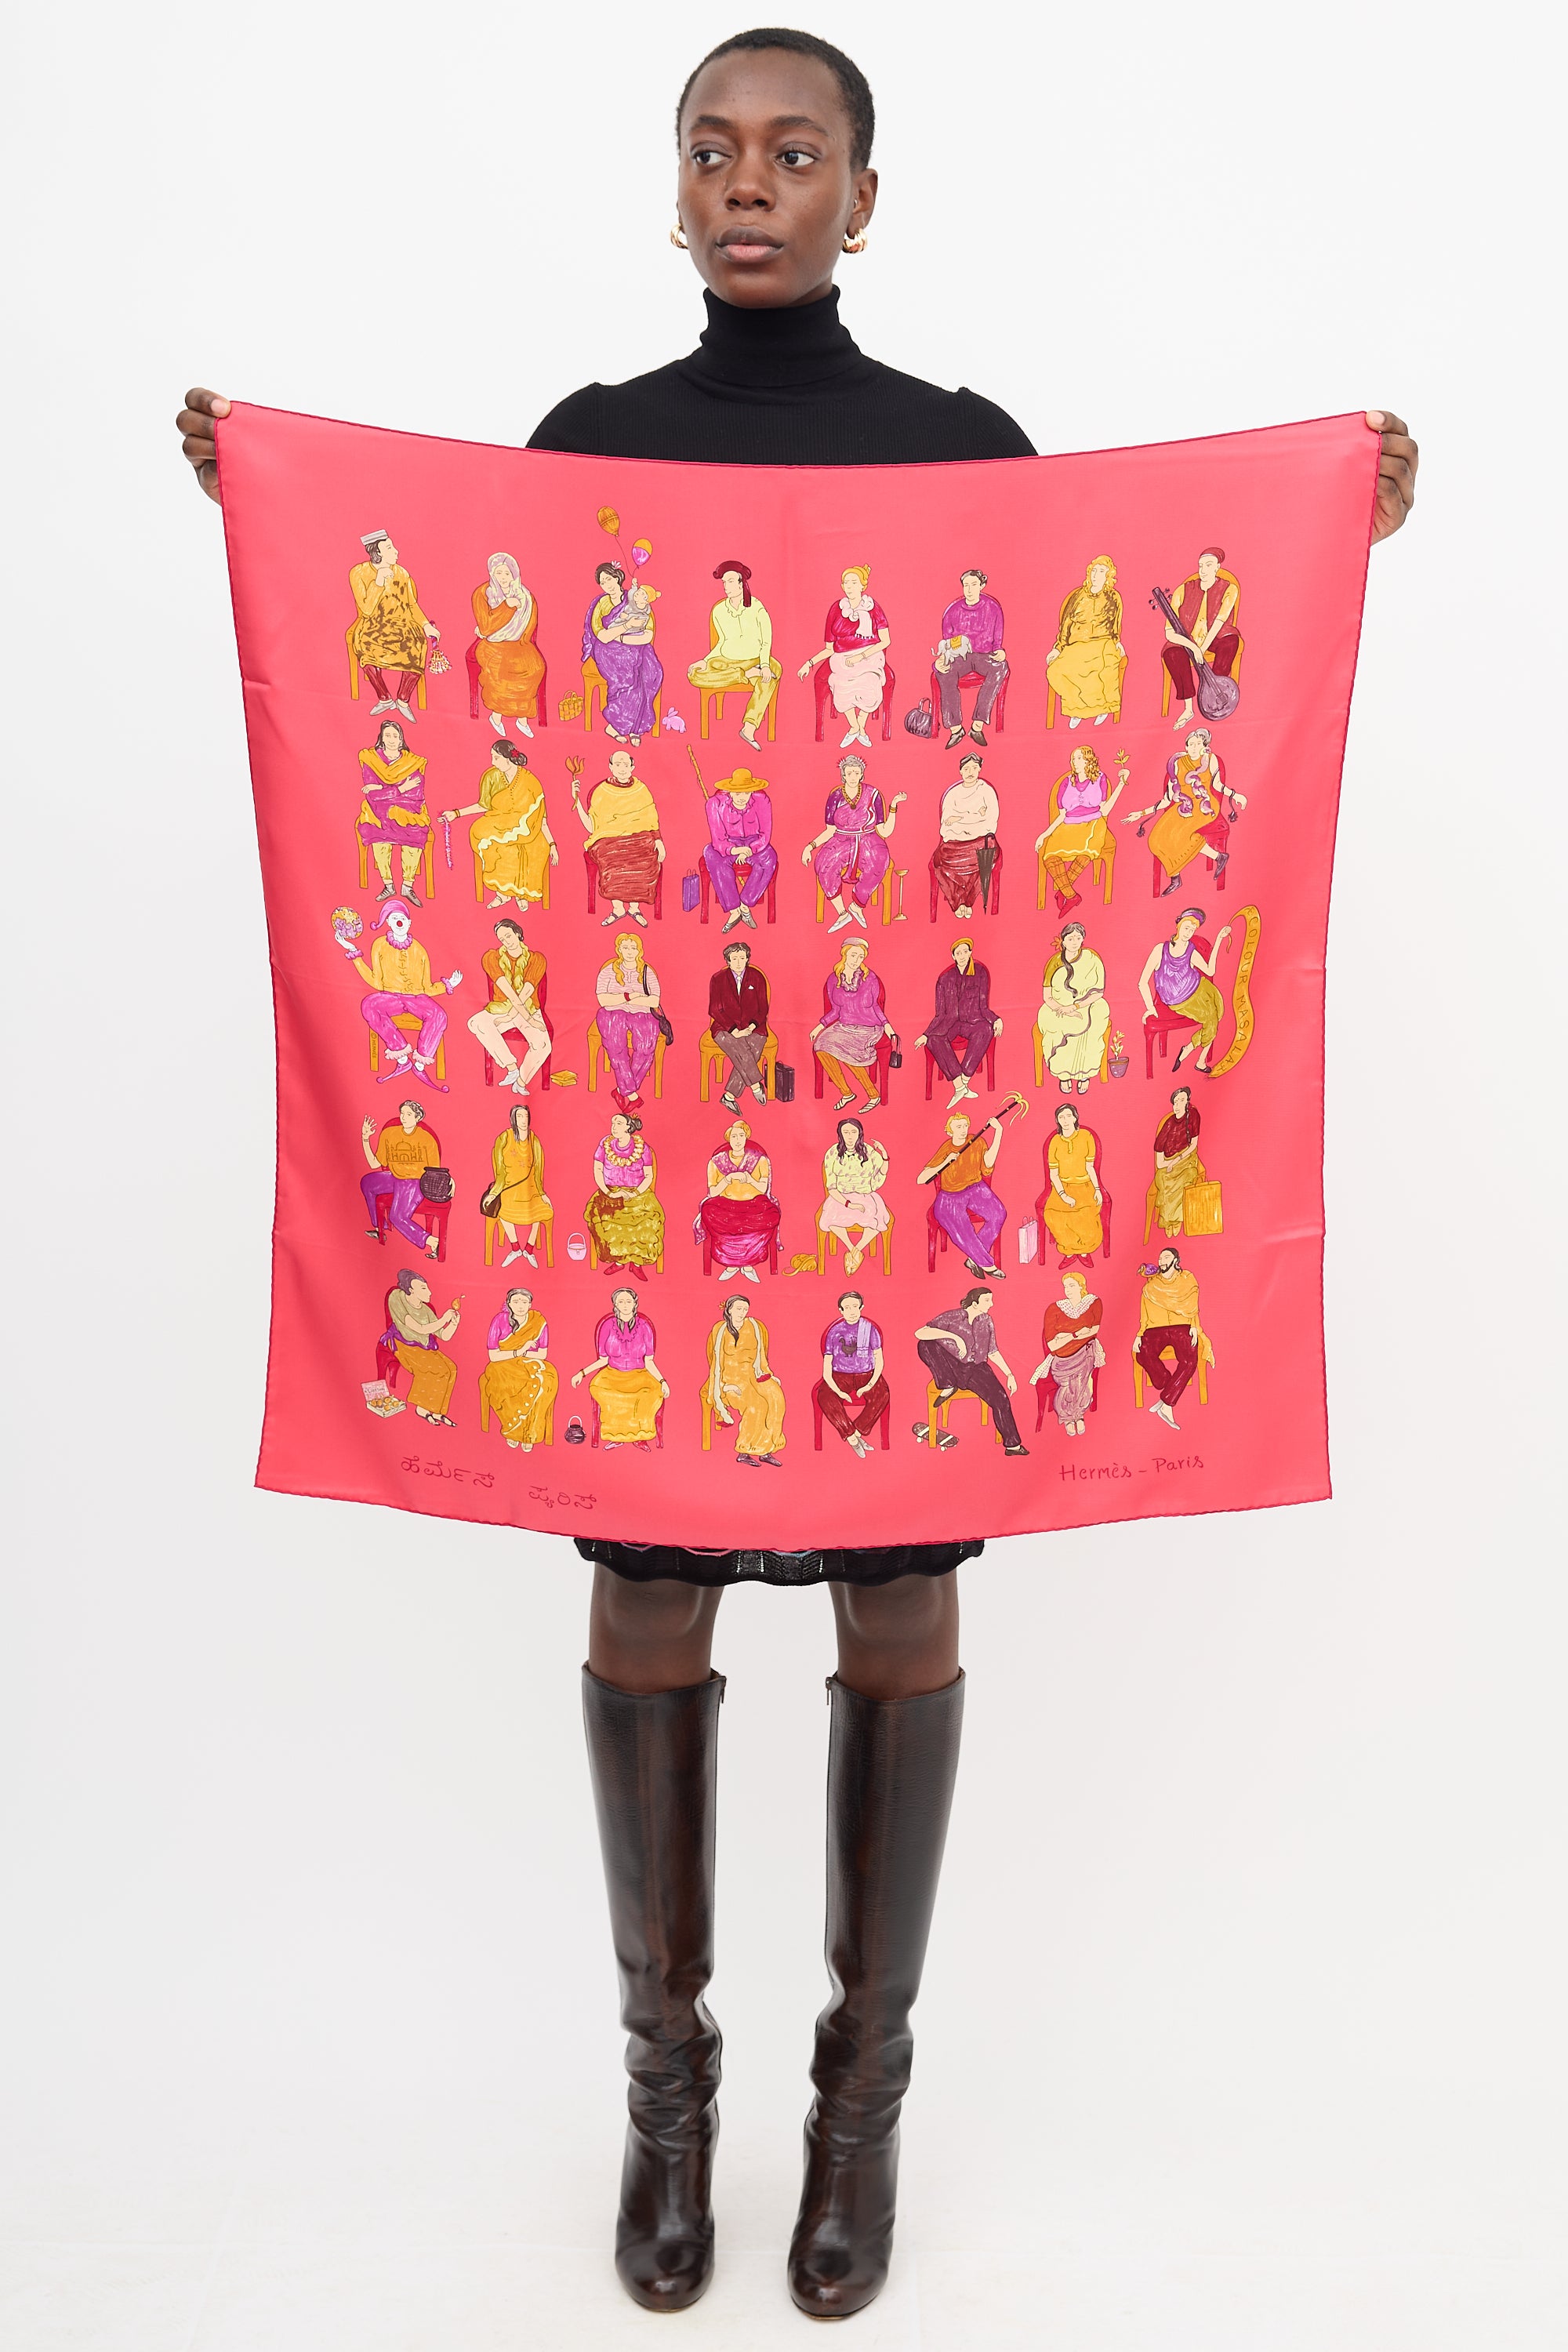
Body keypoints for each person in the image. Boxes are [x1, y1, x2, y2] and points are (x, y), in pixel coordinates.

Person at [177, 24, 1417, 2328]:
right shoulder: (588, 447)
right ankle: (667, 2084)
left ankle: (863, 2093)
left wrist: (1330, 515)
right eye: (711, 149)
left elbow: (1082, 726)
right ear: (673, 191)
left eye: (793, 150)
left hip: (913, 1111)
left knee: (899, 1598)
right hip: (646, 1116)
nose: (748, 182)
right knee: (643, 1599)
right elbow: (480, 704)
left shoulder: (962, 453)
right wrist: (267, 493)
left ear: (862, 194)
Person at [339, 898, 460, 1091]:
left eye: (402, 918)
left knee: (439, 1015)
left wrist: (447, 985)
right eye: (394, 918)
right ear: (388, 921)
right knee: (369, 1004)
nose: (399, 921)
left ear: (409, 923)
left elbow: (426, 987)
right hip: (390, 997)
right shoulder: (379, 945)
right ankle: (402, 1057)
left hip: (417, 998)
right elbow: (376, 981)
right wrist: (354, 953)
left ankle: (420, 1065)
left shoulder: (419, 950)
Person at [1123, 728, 1244, 892]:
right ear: (1186, 747)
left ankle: (1175, 878)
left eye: (1198, 744)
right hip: (1184, 807)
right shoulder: (1177, 764)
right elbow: (1167, 799)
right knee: (1155, 839)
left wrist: (1235, 795)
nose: (1194, 748)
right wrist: (1141, 813)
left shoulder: (1211, 759)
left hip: (1205, 806)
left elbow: (1217, 785)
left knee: (1180, 835)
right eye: (1190, 744)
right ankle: (1214, 859)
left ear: (1204, 746)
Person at [441, 741, 557, 911]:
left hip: (528, 829)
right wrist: (457, 813)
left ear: (508, 758)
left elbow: (541, 818)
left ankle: (521, 893)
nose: (492, 762)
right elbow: (483, 805)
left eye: (496, 758)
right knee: (493, 842)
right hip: (497, 825)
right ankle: (502, 894)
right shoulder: (491, 776)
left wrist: (552, 844)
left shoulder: (531, 781)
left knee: (534, 848)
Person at [913, 1285, 1028, 1454]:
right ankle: (947, 1385)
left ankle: (1013, 1446)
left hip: (977, 1369)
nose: (992, 1304)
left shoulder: (987, 1321)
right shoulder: (952, 1317)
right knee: (925, 1344)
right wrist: (955, 1338)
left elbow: (993, 1351)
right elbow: (920, 1333)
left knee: (1001, 1399)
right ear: (974, 1303)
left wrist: (1009, 1374)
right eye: (987, 1300)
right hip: (952, 1367)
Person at [802, 752, 904, 929]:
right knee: (824, 863)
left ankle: (857, 906)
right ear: (843, 775)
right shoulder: (835, 796)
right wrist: (810, 847)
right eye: (849, 773)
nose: (853, 777)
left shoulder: (873, 794)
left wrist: (893, 806)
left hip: (869, 840)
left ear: (862, 774)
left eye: (856, 773)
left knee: (879, 861)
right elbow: (830, 830)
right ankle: (842, 913)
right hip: (841, 840)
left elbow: (884, 831)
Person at [346, 529, 439, 720]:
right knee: (363, 645)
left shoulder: (402, 573)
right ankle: (384, 698)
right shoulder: (358, 573)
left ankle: (403, 700)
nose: (396, 551)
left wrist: (425, 625)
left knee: (418, 645)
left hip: (402, 624)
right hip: (372, 625)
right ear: (378, 553)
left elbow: (412, 605)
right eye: (389, 548)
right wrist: (378, 582)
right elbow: (366, 610)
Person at [797, 562, 891, 746]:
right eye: (846, 583)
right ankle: (856, 728)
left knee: (870, 682)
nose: (849, 586)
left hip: (869, 655)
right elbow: (829, 648)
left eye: (854, 582)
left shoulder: (873, 607)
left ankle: (860, 725)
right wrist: (809, 663)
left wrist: (860, 656)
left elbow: (885, 641)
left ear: (863, 586)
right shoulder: (837, 609)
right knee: (839, 683)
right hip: (842, 658)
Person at [687, 561, 777, 742]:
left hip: (755, 660)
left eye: (730, 581)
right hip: (726, 661)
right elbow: (722, 642)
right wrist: (705, 660)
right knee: (694, 674)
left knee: (773, 673)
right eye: (724, 582)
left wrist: (765, 665)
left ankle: (749, 728)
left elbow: (766, 641)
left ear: (741, 582)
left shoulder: (757, 608)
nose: (726, 587)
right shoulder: (719, 610)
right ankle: (743, 675)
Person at [575, 745, 663, 924]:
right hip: (609, 840)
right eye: (617, 764)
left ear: (632, 767)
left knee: (646, 858)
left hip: (639, 838)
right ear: (611, 767)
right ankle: (618, 909)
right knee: (613, 859)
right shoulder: (602, 791)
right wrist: (576, 800)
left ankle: (634, 909)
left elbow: (651, 818)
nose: (622, 769)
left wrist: (659, 841)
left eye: (626, 765)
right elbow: (592, 827)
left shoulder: (641, 789)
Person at [1138, 906, 1233, 1074]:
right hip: (1179, 1001)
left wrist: (1219, 939)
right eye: (1186, 927)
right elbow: (1142, 983)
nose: (1188, 933)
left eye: (1192, 930)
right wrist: (1150, 1008)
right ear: (1178, 925)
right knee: (1212, 1018)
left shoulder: (1191, 950)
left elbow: (1210, 971)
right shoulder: (1160, 950)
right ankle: (1197, 1058)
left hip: (1200, 988)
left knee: (1217, 1012)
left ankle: (1190, 1051)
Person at [1036, 746, 1127, 915]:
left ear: (1088, 760)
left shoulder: (1100, 779)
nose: (1074, 762)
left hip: (1093, 824)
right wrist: (1044, 834)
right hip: (1068, 825)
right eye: (1073, 759)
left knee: (1086, 853)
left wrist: (1121, 784)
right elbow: (1061, 815)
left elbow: (1105, 810)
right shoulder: (1066, 782)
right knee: (1050, 857)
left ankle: (1063, 892)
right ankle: (1070, 895)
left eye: (1079, 758)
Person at [920, 1107, 1010, 1278]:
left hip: (976, 1188)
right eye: (958, 1127)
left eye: (965, 1126)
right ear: (950, 1131)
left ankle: (973, 1259)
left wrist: (999, 1132)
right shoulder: (946, 1148)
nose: (963, 1130)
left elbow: (988, 1164)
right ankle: (987, 1264)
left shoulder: (977, 1141)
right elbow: (922, 1178)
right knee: (963, 1229)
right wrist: (946, 1161)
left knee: (999, 1213)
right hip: (950, 1196)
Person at [572, 1287, 669, 1447]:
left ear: (635, 1304)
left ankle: (639, 1438)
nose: (625, 1305)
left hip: (640, 1374)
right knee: (600, 1388)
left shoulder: (644, 1326)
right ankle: (616, 1437)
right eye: (621, 1301)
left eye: (628, 1301)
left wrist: (662, 1381)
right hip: (612, 1374)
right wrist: (582, 1373)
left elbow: (649, 1361)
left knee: (652, 1392)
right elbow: (603, 1360)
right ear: (615, 1304)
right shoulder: (607, 1326)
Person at [810, 935, 894, 1111]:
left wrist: (887, 1026)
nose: (857, 960)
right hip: (844, 1026)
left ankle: (873, 1095)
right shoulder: (833, 979)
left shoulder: (870, 978)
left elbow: (876, 1006)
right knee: (820, 1045)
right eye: (854, 955)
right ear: (845, 954)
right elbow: (835, 1010)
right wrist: (820, 1026)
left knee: (849, 1051)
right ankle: (846, 1093)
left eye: (861, 956)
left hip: (869, 1028)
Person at [1160, 546, 1240, 731]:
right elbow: (1169, 632)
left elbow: (1220, 621)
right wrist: (1194, 647)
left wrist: (1202, 649)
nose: (1203, 570)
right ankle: (1188, 708)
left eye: (1208, 565)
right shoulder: (1183, 590)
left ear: (1218, 567)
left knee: (1231, 642)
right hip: (1189, 640)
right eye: (1201, 565)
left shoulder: (1230, 589)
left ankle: (1216, 694)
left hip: (1215, 637)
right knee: (1172, 654)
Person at [467, 917, 550, 1096]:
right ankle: (511, 1068)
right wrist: (510, 1016)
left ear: (517, 933)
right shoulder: (492, 958)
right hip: (501, 1008)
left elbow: (526, 993)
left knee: (543, 1045)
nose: (506, 941)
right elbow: (509, 993)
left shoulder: (537, 959)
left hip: (529, 1009)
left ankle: (520, 1082)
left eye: (508, 936)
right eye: (502, 939)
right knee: (476, 1022)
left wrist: (522, 1018)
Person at [1134, 1245, 1214, 1428]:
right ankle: (1165, 1382)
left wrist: (1194, 1326)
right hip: (1156, 1327)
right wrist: (1139, 1334)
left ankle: (1167, 1405)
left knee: (1190, 1360)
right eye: (1160, 1258)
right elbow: (1144, 1311)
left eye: (1166, 1257)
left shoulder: (1187, 1279)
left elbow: (1192, 1305)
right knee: (1142, 1353)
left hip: (1181, 1326)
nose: (1162, 1261)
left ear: (1176, 1261)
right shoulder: (1151, 1284)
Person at [916, 937, 1000, 1108]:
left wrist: (996, 1019)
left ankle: (964, 1080)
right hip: (950, 1023)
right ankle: (960, 1086)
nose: (962, 956)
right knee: (933, 1040)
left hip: (973, 1021)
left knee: (986, 1030)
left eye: (965, 952)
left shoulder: (980, 972)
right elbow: (940, 1013)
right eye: (958, 953)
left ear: (970, 953)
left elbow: (984, 1006)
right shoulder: (945, 978)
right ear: (953, 956)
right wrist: (926, 1034)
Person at [469, 553, 544, 738]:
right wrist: (507, 606)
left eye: (507, 573)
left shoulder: (526, 596)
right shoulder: (483, 594)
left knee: (535, 667)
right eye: (499, 573)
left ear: (514, 575)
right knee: (502, 671)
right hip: (492, 645)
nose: (503, 578)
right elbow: (486, 628)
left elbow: (529, 626)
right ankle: (496, 717)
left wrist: (520, 639)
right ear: (492, 574)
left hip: (520, 643)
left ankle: (522, 720)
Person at [586, 566, 664, 743]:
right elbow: (603, 636)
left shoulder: (636, 598)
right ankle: (615, 726)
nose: (607, 584)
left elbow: (648, 635)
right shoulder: (601, 604)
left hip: (637, 646)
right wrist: (626, 627)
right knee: (628, 676)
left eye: (609, 579)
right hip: (608, 651)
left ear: (618, 578)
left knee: (651, 673)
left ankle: (636, 729)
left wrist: (624, 637)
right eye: (603, 582)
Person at [356, 720, 431, 904]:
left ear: (401, 740)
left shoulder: (412, 762)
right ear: (381, 738)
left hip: (408, 807)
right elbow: (372, 796)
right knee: (378, 834)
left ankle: (408, 886)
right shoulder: (371, 759)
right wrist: (400, 788)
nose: (391, 740)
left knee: (415, 831)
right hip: (377, 809)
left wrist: (382, 787)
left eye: (395, 736)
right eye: (387, 735)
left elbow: (416, 792)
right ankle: (388, 885)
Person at [1046, 554, 1125, 727]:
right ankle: (1076, 707)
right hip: (1076, 645)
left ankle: (1102, 708)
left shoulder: (1114, 597)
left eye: (1101, 571)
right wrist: (1058, 648)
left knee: (1102, 667)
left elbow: (1116, 626)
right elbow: (1066, 625)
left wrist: (1117, 642)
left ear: (1108, 575)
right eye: (1094, 571)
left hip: (1103, 643)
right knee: (1055, 671)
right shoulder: (1077, 597)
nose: (1096, 575)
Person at [706, 1294, 786, 1466]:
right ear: (729, 1310)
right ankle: (744, 1451)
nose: (742, 1312)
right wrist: (724, 1387)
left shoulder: (754, 1326)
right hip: (731, 1380)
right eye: (738, 1309)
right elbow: (716, 1365)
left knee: (776, 1399)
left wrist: (768, 1374)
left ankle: (766, 1449)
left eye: (745, 1309)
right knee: (757, 1406)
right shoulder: (721, 1330)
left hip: (754, 1374)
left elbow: (761, 1356)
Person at [699, 1114, 779, 1283]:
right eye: (734, 1136)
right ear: (728, 1138)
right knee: (707, 1210)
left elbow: (763, 1189)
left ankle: (748, 1264)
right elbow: (713, 1192)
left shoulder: (759, 1160)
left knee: (773, 1214)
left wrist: (750, 1179)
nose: (737, 1140)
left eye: (741, 1135)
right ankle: (732, 1264)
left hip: (754, 1206)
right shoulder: (716, 1162)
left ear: (746, 1137)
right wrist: (727, 1180)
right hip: (725, 1207)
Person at [934, 567, 1007, 748]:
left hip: (985, 656)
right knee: (943, 671)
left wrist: (1000, 651)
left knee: (1001, 666)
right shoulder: (953, 611)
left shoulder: (993, 608)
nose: (969, 589)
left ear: (982, 585)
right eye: (966, 585)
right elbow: (947, 645)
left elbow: (997, 640)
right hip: (961, 657)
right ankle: (955, 729)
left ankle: (978, 725)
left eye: (973, 585)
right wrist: (940, 662)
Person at [585, 1112, 664, 1279]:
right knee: (607, 1222)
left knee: (646, 1223)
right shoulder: (605, 1144)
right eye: (613, 1123)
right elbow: (597, 1170)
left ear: (629, 1127)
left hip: (639, 1195)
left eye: (619, 1123)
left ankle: (636, 1264)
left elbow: (648, 1176)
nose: (614, 1127)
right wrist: (609, 1192)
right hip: (609, 1194)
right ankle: (619, 1261)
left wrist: (634, 1193)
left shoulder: (642, 1148)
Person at [359, 1099, 441, 1256]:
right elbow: (374, 1163)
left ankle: (433, 1242)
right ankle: (379, 1227)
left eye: (408, 1114)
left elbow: (434, 1172)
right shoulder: (389, 1134)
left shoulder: (427, 1139)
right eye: (402, 1113)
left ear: (417, 1118)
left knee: (397, 1217)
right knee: (367, 1182)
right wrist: (365, 1139)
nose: (403, 1117)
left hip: (415, 1181)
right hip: (394, 1177)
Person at [1036, 920, 1110, 1093]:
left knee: (1095, 1021)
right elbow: (1047, 996)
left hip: (1088, 1005)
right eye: (1070, 938)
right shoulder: (1055, 962)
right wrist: (1063, 1009)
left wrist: (1075, 1007)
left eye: (1078, 938)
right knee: (1055, 1025)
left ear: (1083, 939)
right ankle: (1063, 1075)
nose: (1074, 942)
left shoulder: (1092, 959)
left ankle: (1085, 1074)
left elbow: (1099, 992)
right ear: (1063, 941)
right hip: (1058, 1008)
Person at [480, 1287, 557, 1450]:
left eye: (524, 1302)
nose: (520, 1306)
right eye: (516, 1302)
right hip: (501, 1365)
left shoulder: (538, 1322)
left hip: (528, 1362)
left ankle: (531, 1433)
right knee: (507, 1385)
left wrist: (524, 1354)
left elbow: (542, 1354)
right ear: (509, 1304)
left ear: (530, 1305)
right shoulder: (500, 1320)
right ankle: (513, 1430)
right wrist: (520, 1351)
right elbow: (493, 1356)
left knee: (545, 1382)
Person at [701, 766, 776, 931]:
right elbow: (718, 839)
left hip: (754, 844)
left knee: (769, 857)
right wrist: (735, 850)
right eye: (737, 793)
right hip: (728, 845)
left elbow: (765, 835)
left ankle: (745, 905)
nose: (742, 798)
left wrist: (750, 849)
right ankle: (734, 910)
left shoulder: (762, 800)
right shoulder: (714, 803)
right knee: (710, 854)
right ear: (729, 792)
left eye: (746, 793)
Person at [1029, 1269, 1104, 1436]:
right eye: (1065, 1286)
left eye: (1072, 1285)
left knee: (1080, 1374)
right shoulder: (1054, 1309)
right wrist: (1076, 1334)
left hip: (1086, 1351)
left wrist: (1064, 1336)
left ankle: (1071, 1417)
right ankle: (1074, 1415)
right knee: (1071, 1381)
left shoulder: (1093, 1302)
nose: (1068, 1290)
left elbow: (1094, 1330)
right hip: (1061, 1358)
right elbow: (1053, 1345)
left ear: (1081, 1286)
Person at [594, 931, 663, 1112]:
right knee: (617, 1049)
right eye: (625, 947)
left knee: (646, 1049)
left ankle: (622, 1091)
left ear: (640, 950)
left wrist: (624, 998)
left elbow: (654, 1001)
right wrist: (630, 996)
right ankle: (632, 1095)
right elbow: (603, 999)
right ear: (619, 949)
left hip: (642, 1014)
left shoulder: (646, 971)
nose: (630, 951)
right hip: (613, 1013)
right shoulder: (609, 971)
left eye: (633, 948)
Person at [383, 1266, 460, 1425]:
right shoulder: (397, 1297)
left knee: (451, 1368)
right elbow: (418, 1328)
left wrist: (453, 1324)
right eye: (424, 1288)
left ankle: (438, 1411)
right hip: (403, 1344)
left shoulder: (426, 1310)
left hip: (423, 1347)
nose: (430, 1292)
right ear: (411, 1290)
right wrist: (443, 1319)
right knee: (435, 1369)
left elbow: (444, 1336)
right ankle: (422, 1409)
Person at [815, 1290, 889, 1457]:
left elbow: (879, 1360)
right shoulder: (835, 1331)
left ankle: (856, 1431)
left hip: (867, 1373)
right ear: (841, 1311)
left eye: (855, 1306)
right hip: (840, 1375)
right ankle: (853, 1439)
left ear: (861, 1307)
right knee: (825, 1396)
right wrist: (839, 1391)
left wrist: (869, 1385)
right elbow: (827, 1366)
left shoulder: (869, 1329)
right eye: (847, 1308)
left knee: (882, 1394)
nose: (852, 1311)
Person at [931, 751, 1000, 917]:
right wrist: (977, 816)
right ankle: (959, 902)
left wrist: (960, 818)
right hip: (954, 844)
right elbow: (946, 827)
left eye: (974, 768)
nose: (970, 772)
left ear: (980, 769)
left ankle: (966, 902)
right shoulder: (953, 794)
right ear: (960, 771)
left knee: (985, 857)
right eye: (967, 769)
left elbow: (990, 824)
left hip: (981, 841)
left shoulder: (986, 791)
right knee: (939, 862)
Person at [818, 1116, 891, 1274]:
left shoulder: (869, 1151)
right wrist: (849, 1204)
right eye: (846, 1132)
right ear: (840, 1134)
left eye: (853, 1132)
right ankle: (854, 1251)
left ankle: (856, 1251)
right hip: (841, 1197)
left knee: (877, 1219)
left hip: (866, 1195)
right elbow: (831, 1187)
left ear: (859, 1133)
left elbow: (881, 1174)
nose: (850, 1136)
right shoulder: (832, 1153)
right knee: (830, 1218)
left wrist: (884, 1154)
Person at [484, 1102, 550, 1269]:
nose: (523, 1120)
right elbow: (499, 1169)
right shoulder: (504, 1138)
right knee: (504, 1209)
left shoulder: (534, 1140)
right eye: (519, 1116)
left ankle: (529, 1249)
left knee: (541, 1209)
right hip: (509, 1186)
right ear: (513, 1119)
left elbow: (539, 1169)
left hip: (531, 1188)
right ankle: (515, 1248)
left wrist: (542, 1193)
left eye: (526, 1116)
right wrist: (495, 1192)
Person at [706, 939, 771, 1110]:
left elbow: (763, 1007)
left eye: (742, 958)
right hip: (725, 1027)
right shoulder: (718, 979)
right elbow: (715, 1009)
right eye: (734, 959)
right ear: (728, 961)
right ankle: (756, 1086)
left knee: (752, 1048)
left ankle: (729, 1096)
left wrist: (752, 1026)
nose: (738, 962)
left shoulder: (757, 977)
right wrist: (733, 1030)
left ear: (747, 959)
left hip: (754, 1027)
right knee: (744, 1050)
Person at [1039, 1102, 1103, 1266]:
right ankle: (1069, 1252)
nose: (1065, 1120)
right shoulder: (1055, 1141)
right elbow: (1054, 1174)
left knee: (1085, 1217)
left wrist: (1097, 1189)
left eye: (1069, 1116)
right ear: (1057, 1121)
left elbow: (1090, 1167)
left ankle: (1084, 1252)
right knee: (1053, 1215)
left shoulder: (1086, 1137)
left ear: (1075, 1118)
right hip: (1062, 1187)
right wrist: (1064, 1196)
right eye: (1061, 1117)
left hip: (1085, 1186)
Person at [1151, 1084, 1206, 1236]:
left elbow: (1193, 1145)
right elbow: (1160, 1162)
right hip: (1167, 1164)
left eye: (1182, 1100)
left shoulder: (1193, 1115)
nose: (1178, 1105)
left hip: (1186, 1159)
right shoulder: (1168, 1124)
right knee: (1165, 1182)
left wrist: (1176, 1161)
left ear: (1187, 1102)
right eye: (1175, 1101)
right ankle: (1168, 1221)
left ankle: (1177, 1220)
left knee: (1187, 1178)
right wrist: (1170, 1163)